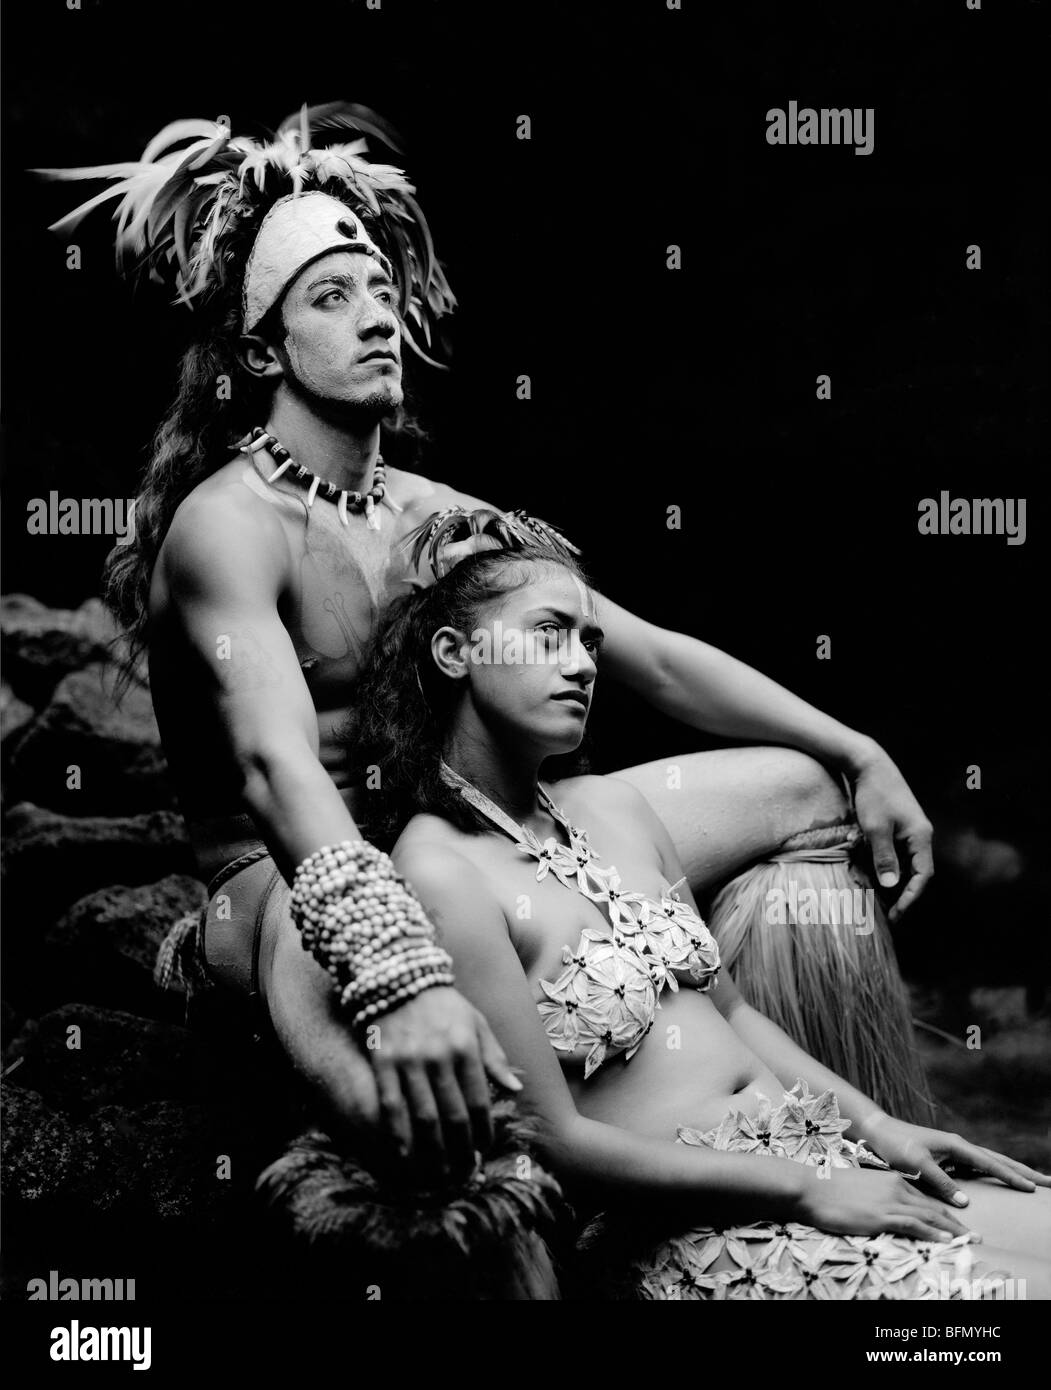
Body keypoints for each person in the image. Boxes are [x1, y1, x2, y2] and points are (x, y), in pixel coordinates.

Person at [39, 103, 935, 1176]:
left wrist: (856, 747)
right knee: (413, 1063)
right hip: (280, 889)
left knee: (806, 791)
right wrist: (400, 971)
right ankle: (521, 1192)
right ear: (258, 344)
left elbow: (640, 651)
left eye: (382, 290)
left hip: (466, 850)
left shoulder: (433, 513)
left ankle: (815, 1149)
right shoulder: (227, 525)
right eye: (332, 296)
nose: (376, 317)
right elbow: (280, 770)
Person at [347, 526, 1051, 1299]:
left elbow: (731, 1008)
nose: (582, 664)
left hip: (822, 1160)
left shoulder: (612, 805)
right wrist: (801, 1193)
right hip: (699, 1225)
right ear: (455, 654)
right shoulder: (437, 871)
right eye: (548, 635)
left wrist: (882, 1129)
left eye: (589, 640)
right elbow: (551, 1140)